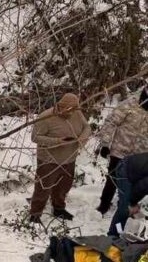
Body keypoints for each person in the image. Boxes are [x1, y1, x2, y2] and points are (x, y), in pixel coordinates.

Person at [28, 93, 90, 224]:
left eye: (74, 110)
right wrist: (57, 141)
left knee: (63, 187)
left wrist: (82, 139)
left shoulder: (77, 113)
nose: (71, 113)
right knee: (43, 188)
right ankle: (35, 213)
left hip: (69, 158)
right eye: (69, 110)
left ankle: (58, 208)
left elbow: (87, 127)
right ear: (61, 106)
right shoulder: (46, 117)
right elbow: (35, 137)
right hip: (49, 160)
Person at [96, 86, 148, 214]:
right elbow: (111, 122)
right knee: (113, 179)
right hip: (120, 150)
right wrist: (105, 144)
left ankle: (125, 206)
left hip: (140, 156)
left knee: (134, 183)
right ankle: (104, 205)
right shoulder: (130, 104)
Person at [109, 152, 148, 236]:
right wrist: (132, 203)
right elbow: (141, 187)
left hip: (135, 172)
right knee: (124, 209)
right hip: (125, 170)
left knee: (125, 207)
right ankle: (112, 237)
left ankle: (116, 235)